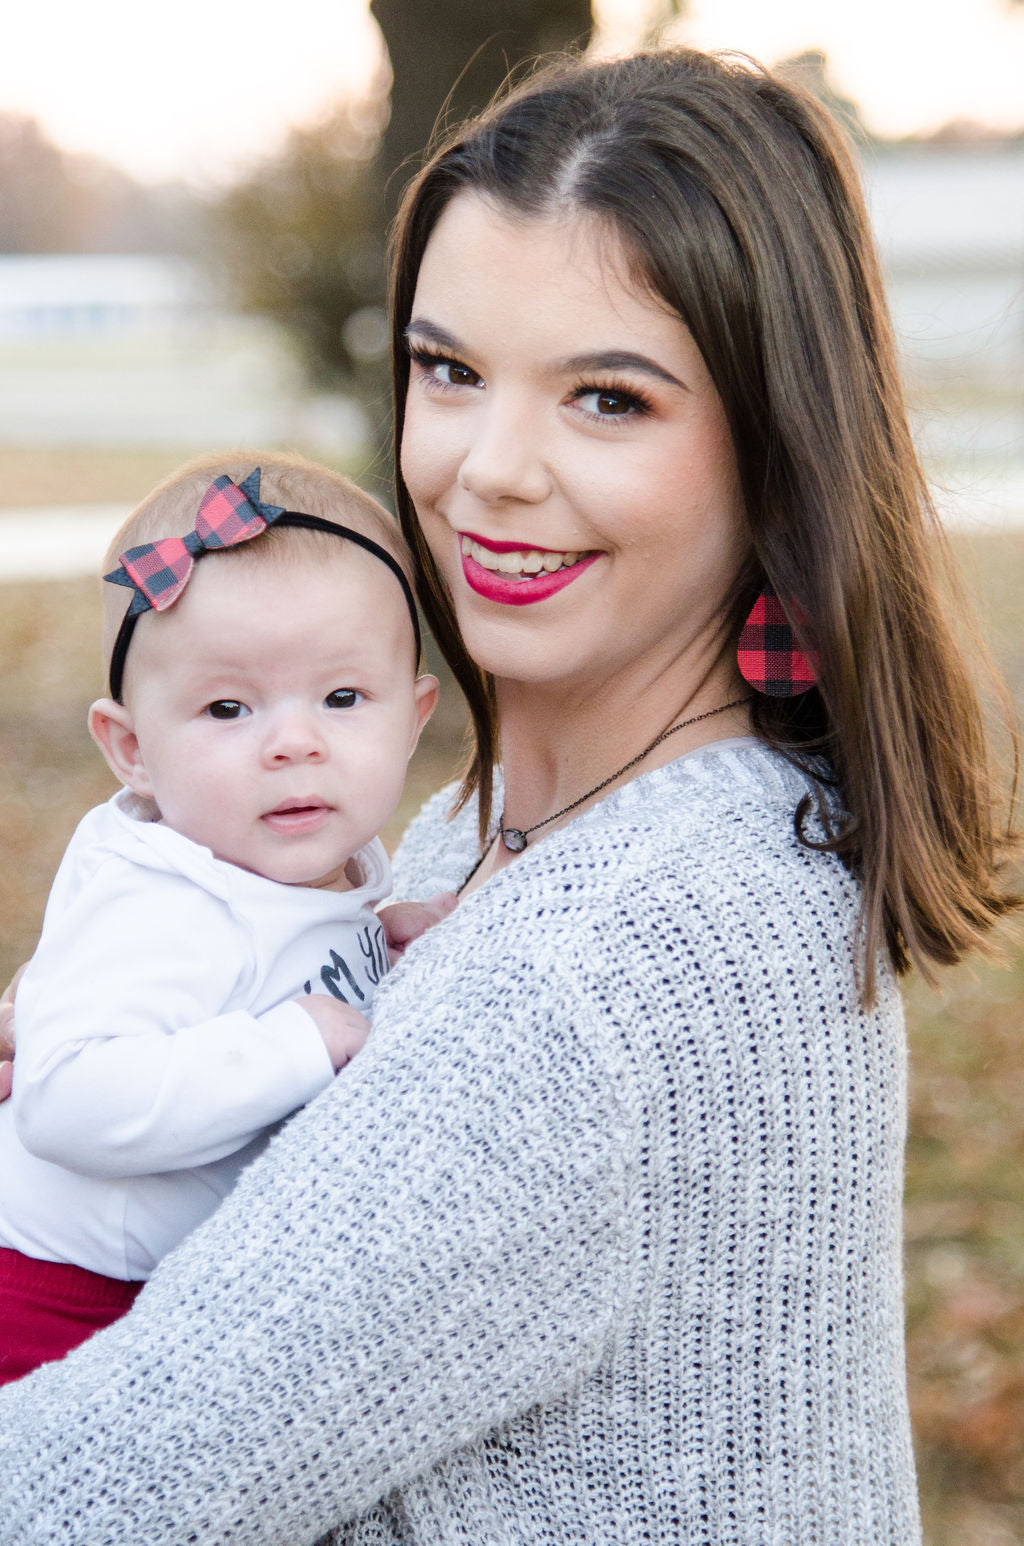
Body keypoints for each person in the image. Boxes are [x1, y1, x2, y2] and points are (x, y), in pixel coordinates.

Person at [0, 46, 1017, 1545]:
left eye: (608, 398)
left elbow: (80, 1497)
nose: (489, 472)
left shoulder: (584, 968)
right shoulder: (524, 829)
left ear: (770, 439)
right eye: (450, 370)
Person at [0, 452, 439, 1385]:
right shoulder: (159, 900)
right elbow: (64, 1099)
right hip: (58, 1301)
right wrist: (297, 1041)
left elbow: (284, 962)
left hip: (168, 1290)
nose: (293, 741)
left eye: (344, 697)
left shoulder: (323, 862)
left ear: (413, 717)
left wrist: (382, 943)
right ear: (132, 751)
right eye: (228, 707)